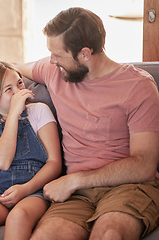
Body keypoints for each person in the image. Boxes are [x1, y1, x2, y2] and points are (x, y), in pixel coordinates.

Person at [16, 7, 159, 240]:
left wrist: (73, 180)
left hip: (129, 187)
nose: (51, 61)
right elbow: (10, 68)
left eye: (58, 55)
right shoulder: (55, 71)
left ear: (84, 54)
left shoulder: (138, 87)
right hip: (77, 195)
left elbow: (144, 166)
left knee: (109, 234)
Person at [0, 61, 62, 240]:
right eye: (9, 89)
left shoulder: (38, 111)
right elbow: (2, 161)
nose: (18, 91)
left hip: (33, 190)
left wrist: (24, 189)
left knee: (18, 216)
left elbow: (54, 163)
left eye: (20, 83)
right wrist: (13, 115)